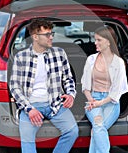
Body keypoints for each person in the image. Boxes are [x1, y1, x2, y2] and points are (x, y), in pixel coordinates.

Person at [9, 19, 78, 153]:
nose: (51, 37)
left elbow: (68, 78)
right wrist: (29, 109)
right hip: (31, 105)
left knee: (72, 131)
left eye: (51, 33)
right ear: (35, 37)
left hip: (55, 104)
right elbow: (14, 87)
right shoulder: (21, 57)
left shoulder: (59, 53)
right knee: (27, 143)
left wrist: (71, 94)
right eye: (47, 34)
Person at [81, 25, 128, 153]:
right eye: (95, 39)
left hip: (110, 102)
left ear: (108, 42)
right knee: (98, 126)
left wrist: (100, 103)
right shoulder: (91, 60)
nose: (95, 43)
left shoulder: (118, 63)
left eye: (99, 40)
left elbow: (116, 92)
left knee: (97, 128)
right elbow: (85, 86)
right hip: (93, 100)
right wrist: (91, 100)